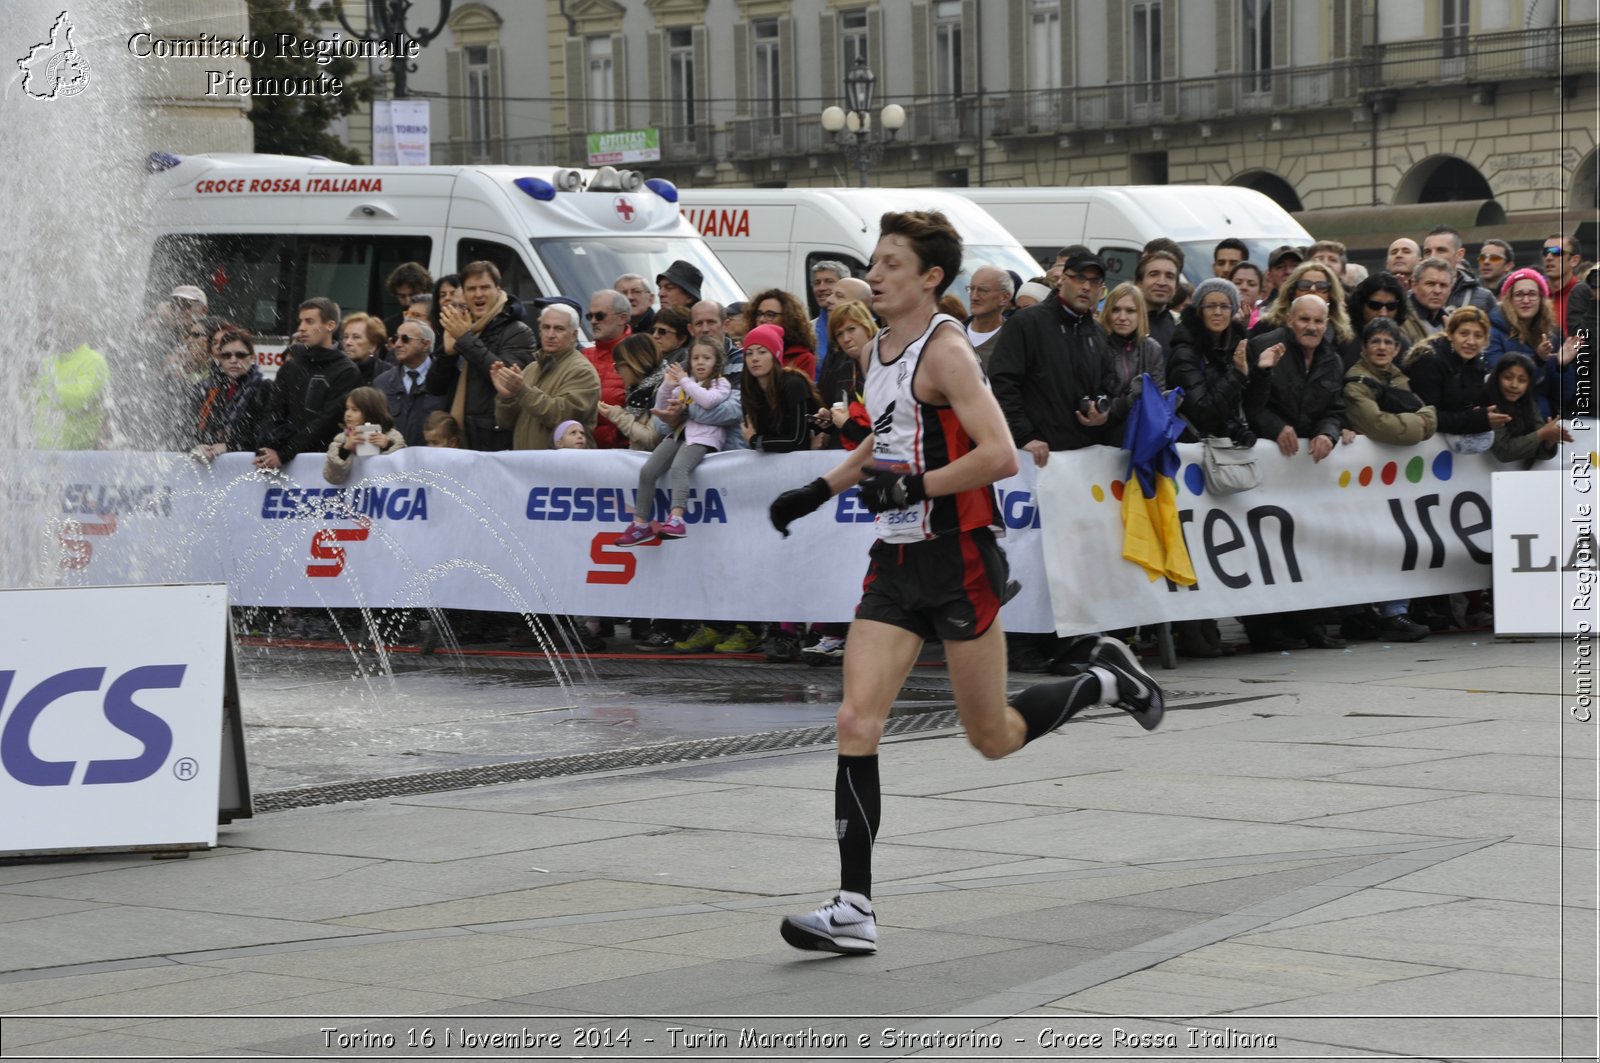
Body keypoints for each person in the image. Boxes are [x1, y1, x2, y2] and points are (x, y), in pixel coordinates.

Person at [764, 209, 1164, 955]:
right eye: (874, 261)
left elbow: (1001, 454)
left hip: (959, 559)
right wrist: (817, 490)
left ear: (930, 278)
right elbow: (879, 438)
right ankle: (855, 905)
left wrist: (916, 485)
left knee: (994, 736)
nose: (874, 274)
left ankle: (1106, 681)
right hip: (895, 563)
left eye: (889, 264)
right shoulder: (876, 349)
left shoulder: (946, 353)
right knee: (856, 720)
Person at [1241, 295, 1352, 653]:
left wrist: (1327, 433)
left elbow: (1335, 409)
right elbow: (1250, 404)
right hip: (1267, 467)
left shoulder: (1332, 359)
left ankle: (1311, 625)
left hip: (1306, 472)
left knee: (1308, 545)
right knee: (1265, 547)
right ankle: (1264, 628)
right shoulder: (1265, 347)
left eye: (1318, 321)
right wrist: (1276, 427)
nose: (1312, 327)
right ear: (1290, 319)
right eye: (1304, 320)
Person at [1339, 317, 1435, 644]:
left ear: (1397, 348)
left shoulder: (1399, 379)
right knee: (1362, 547)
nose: (1382, 348)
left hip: (1392, 486)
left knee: (1399, 544)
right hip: (1363, 486)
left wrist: (1421, 420)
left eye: (1388, 343)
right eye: (1375, 342)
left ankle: (1395, 611)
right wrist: (1419, 425)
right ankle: (1364, 614)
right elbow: (1379, 426)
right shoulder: (1356, 382)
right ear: (1364, 347)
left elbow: (1431, 413)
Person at [616, 337, 731, 546]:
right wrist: (667, 386)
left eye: (707, 358)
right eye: (696, 358)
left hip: (704, 438)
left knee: (679, 468)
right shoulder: (688, 384)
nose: (700, 362)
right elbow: (661, 407)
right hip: (679, 434)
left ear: (717, 362)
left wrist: (684, 381)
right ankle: (640, 524)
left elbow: (707, 401)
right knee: (647, 471)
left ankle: (676, 518)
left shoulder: (721, 383)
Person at [426, 261, 536, 451]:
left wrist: (465, 340)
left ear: (498, 289)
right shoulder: (460, 325)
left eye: (485, 287)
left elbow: (505, 377)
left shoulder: (518, 331)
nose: (478, 294)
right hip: (460, 436)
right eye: (471, 289)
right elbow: (434, 387)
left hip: (496, 438)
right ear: (464, 293)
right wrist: (448, 354)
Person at [256, 298, 362, 471]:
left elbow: (325, 421)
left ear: (330, 326)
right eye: (301, 321)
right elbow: (273, 410)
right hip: (283, 461)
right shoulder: (291, 365)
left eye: (310, 321)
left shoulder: (346, 371)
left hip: (322, 464)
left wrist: (284, 454)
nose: (301, 328)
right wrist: (267, 447)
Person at [491, 304, 601, 451]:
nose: (550, 334)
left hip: (563, 468)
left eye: (559, 329)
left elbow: (561, 417)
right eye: (546, 327)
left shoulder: (582, 371)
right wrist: (507, 397)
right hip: (528, 464)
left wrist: (523, 391)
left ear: (574, 335)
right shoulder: (531, 368)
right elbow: (507, 423)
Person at [1404, 305, 1508, 449]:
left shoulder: (1479, 363)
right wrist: (1478, 419)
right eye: (1464, 333)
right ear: (1450, 334)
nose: (1471, 342)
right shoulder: (1428, 361)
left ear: (1485, 340)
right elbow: (1430, 416)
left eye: (1478, 336)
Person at [190, 328, 272, 460]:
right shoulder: (213, 389)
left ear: (252, 357)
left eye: (240, 355)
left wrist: (229, 446)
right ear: (220, 360)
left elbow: (264, 435)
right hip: (215, 469)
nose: (233, 360)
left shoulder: (264, 388)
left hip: (248, 468)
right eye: (226, 356)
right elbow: (201, 427)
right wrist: (200, 445)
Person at [1486, 351, 1572, 464]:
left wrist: (1549, 441)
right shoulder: (1489, 405)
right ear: (1497, 378)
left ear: (1529, 384)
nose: (1514, 385)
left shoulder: (1528, 403)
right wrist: (1542, 434)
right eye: (1508, 377)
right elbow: (1504, 452)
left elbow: (1541, 453)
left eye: (1522, 380)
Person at [1097, 281, 1165, 425]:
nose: (1122, 317)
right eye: (1116, 310)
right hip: (1101, 433)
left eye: (1130, 311)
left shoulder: (1152, 349)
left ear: (1140, 314)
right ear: (1107, 312)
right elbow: (1095, 401)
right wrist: (1127, 402)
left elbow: (1156, 398)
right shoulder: (1097, 345)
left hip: (1140, 432)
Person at [373, 320, 446, 447]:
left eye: (405, 339)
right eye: (396, 338)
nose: (397, 344)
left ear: (426, 344)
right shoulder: (381, 383)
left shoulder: (446, 378)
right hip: (394, 460)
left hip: (433, 461)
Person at [324, 386, 407, 485]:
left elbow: (404, 469)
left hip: (384, 494)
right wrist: (344, 450)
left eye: (355, 410)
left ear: (371, 412)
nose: (348, 414)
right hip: (355, 496)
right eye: (347, 409)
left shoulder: (392, 436)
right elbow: (332, 478)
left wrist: (387, 446)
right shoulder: (341, 439)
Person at [583, 289, 634, 449]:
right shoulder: (583, 356)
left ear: (622, 318)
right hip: (582, 451)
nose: (593, 321)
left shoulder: (638, 357)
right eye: (589, 316)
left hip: (622, 455)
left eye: (600, 316)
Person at [1339, 271, 1410, 367]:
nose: (1383, 313)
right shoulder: (1343, 341)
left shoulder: (1404, 347)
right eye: (1375, 305)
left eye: (1391, 306)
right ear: (1361, 305)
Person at [745, 289, 818, 380]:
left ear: (788, 319)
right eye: (759, 314)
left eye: (770, 315)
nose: (762, 319)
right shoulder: (750, 352)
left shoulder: (803, 358)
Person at [1422, 225, 1495, 312]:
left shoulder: (1483, 297)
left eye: (1441, 250)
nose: (1432, 257)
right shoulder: (1412, 296)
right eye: (1427, 252)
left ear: (1459, 255)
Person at [963, 264, 1012, 370]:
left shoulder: (1013, 340)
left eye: (983, 290)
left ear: (1004, 297)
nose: (974, 296)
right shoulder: (954, 332)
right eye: (971, 289)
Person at [1133, 249, 1181, 353]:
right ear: (1139, 283)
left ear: (1176, 288)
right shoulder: (1123, 323)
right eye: (1154, 274)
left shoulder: (1180, 328)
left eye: (1169, 276)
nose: (1162, 282)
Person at [1401, 257, 1456, 346]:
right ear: (1414, 285)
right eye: (1430, 284)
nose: (1437, 291)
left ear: (1450, 290)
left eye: (1443, 285)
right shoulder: (1400, 319)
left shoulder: (1453, 322)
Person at [1543, 233, 1582, 334]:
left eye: (1556, 252)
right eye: (1545, 252)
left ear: (1574, 260)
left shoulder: (1587, 295)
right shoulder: (1534, 295)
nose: (1548, 257)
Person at [340, 311, 391, 385]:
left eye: (356, 337)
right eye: (345, 337)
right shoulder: (335, 370)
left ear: (373, 346)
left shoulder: (389, 375)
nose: (347, 342)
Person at [384, 261, 432, 336]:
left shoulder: (442, 323)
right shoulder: (388, 326)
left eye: (413, 295)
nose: (408, 301)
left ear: (425, 291)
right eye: (402, 296)